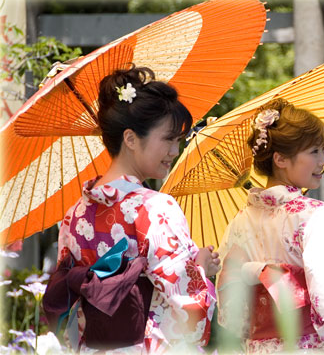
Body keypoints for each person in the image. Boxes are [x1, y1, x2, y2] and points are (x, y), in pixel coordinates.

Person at [54, 65, 220, 353]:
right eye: (168, 139)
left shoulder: (74, 214)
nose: (174, 151)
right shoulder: (155, 207)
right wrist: (202, 269)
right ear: (130, 139)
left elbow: (66, 297)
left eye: (177, 141)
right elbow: (189, 305)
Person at [216, 98, 324, 354]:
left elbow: (231, 312)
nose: (322, 160)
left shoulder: (239, 222)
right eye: (314, 151)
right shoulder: (315, 215)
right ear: (280, 159)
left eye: (322, 150)